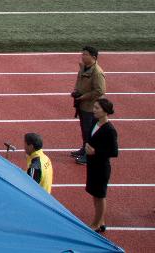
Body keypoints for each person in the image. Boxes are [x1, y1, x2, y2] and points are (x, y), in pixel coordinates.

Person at [83, 97, 118, 233]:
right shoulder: (94, 122)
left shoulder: (110, 130)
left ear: (105, 111)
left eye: (97, 108)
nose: (94, 110)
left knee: (100, 195)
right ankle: (100, 220)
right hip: (92, 164)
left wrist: (95, 151)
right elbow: (90, 137)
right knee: (94, 194)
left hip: (101, 167)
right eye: (94, 107)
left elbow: (114, 152)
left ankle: (96, 223)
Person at [71, 46, 107, 164]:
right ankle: (84, 148)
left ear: (94, 57)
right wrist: (76, 91)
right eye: (82, 54)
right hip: (82, 105)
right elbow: (79, 81)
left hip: (91, 107)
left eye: (85, 54)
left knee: (90, 131)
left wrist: (84, 96)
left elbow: (100, 91)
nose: (83, 56)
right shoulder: (84, 68)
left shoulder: (97, 72)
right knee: (84, 129)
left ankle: (89, 155)